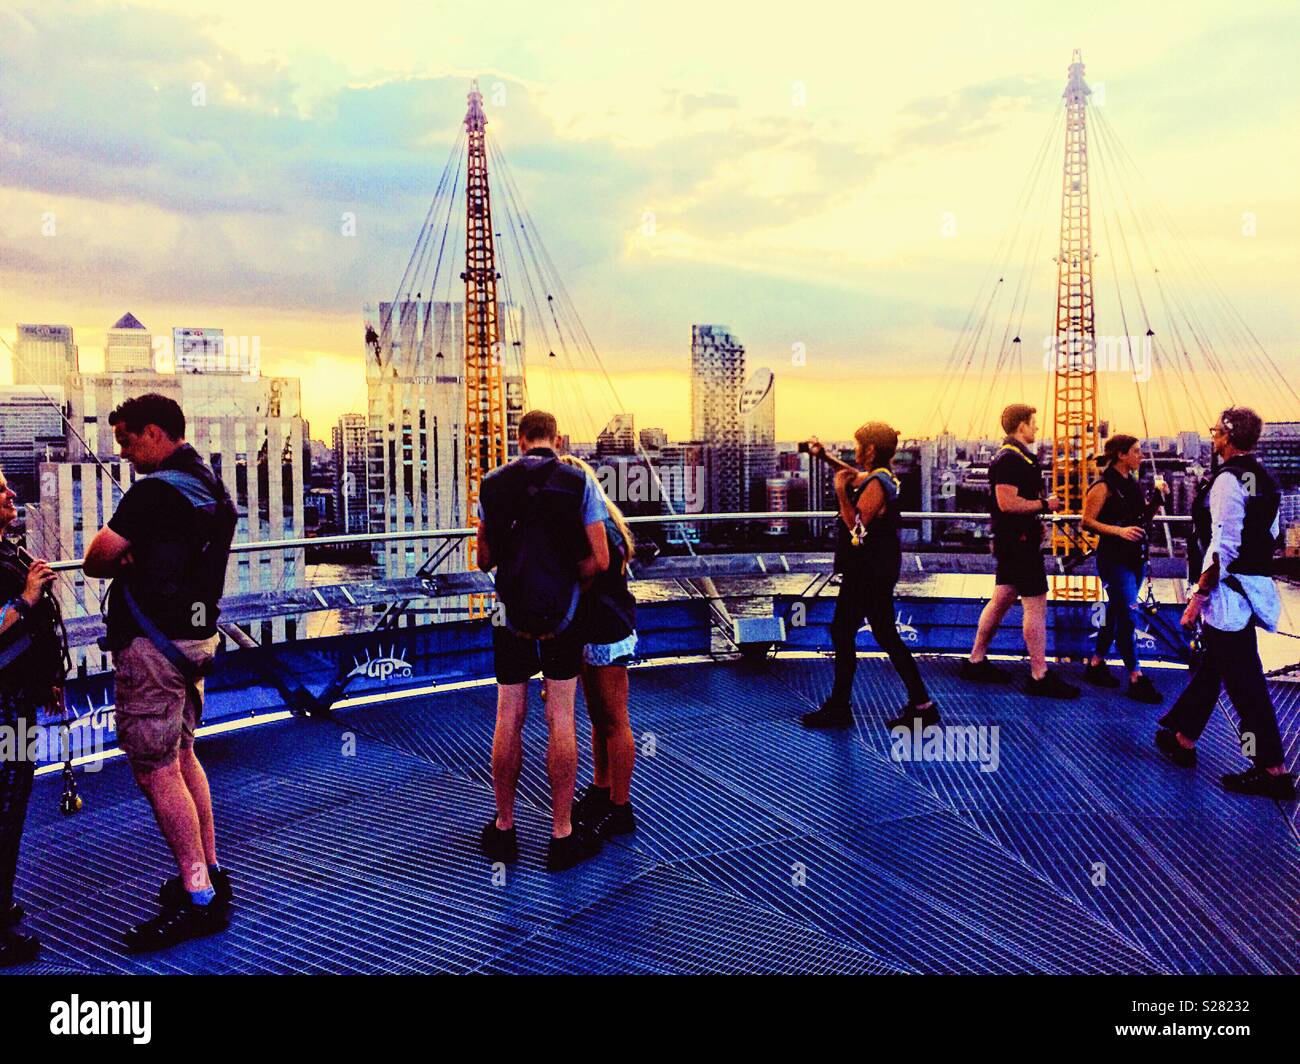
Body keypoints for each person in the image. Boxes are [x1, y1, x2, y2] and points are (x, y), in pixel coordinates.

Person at [83, 394, 238, 950]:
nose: (123, 453)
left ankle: (199, 898)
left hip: (153, 650)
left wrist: (128, 556)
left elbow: (98, 556)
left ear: (153, 432)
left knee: (154, 769)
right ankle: (209, 873)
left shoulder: (153, 494)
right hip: (194, 642)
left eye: (127, 440)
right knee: (181, 755)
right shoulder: (212, 488)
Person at [476, 411, 611, 872]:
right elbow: (601, 558)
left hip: (509, 616)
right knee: (561, 717)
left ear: (519, 441)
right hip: (564, 616)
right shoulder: (579, 482)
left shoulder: (492, 483)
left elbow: (483, 558)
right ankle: (561, 835)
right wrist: (564, 582)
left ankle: (505, 828)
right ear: (557, 439)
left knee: (508, 715)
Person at [1155, 407, 1295, 798]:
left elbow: (1222, 547)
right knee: (1215, 666)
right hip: (1249, 590)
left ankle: (1272, 768)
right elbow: (1272, 533)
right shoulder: (1264, 478)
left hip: (1227, 595)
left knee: (1244, 683)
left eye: (1215, 432)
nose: (1213, 437)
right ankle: (1182, 737)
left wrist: (1197, 597)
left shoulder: (1227, 483)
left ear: (1228, 437)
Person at [801, 424, 939, 730]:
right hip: (877, 568)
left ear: (872, 449)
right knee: (885, 634)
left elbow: (857, 529)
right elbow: (853, 473)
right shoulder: (884, 477)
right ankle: (922, 704)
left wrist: (839, 492)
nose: (857, 451)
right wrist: (825, 457)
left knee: (843, 631)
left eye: (859, 446)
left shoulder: (877, 484)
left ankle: (840, 706)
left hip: (867, 571)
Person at [962, 404, 1080, 698]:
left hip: (1013, 541)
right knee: (1036, 604)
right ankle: (1039, 675)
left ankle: (976, 659)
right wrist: (1044, 506)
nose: (1036, 428)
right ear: (1020, 426)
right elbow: (1007, 503)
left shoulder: (1014, 457)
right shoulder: (1010, 460)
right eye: (1032, 423)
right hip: (1020, 544)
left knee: (1001, 599)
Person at [0, 469, 63, 967]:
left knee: (13, 798)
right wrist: (26, 597)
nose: (10, 494)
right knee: (4, 805)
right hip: (2, 706)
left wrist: (51, 680)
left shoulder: (9, 552)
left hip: (18, 699)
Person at [559, 456, 639, 839]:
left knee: (614, 719)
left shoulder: (599, 532)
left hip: (607, 630)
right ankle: (602, 787)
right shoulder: (602, 522)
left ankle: (621, 807)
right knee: (599, 718)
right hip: (599, 628)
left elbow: (590, 576)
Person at [1080, 435, 1167, 702]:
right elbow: (1087, 522)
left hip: (1134, 558)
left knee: (1117, 611)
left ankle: (1096, 663)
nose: (1140, 455)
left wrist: (1157, 499)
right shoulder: (1103, 486)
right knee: (1128, 616)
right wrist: (1119, 531)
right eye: (1136, 451)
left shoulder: (1132, 483)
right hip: (1115, 560)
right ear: (1121, 455)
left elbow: (1141, 519)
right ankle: (1135, 676)